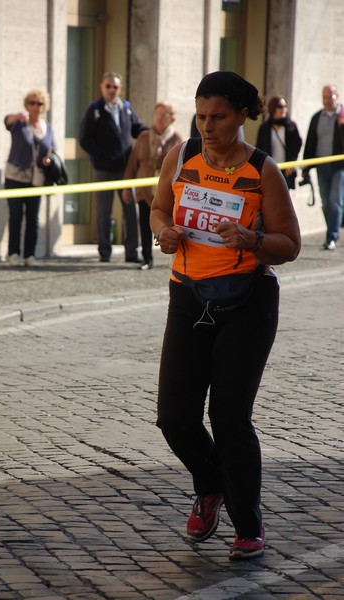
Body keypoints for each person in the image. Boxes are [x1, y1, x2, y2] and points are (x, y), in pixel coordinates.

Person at [150, 71, 300, 560]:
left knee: (230, 418)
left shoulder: (263, 171)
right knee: (174, 418)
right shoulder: (183, 155)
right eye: (200, 116)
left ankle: (248, 521)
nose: (207, 126)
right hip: (188, 296)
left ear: (241, 116)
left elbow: (290, 245)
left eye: (218, 117)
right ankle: (210, 484)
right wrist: (164, 232)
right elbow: (158, 209)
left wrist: (252, 239)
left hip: (247, 304)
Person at [79, 72, 148, 263]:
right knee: (103, 211)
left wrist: (150, 132)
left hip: (126, 170)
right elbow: (84, 139)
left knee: (130, 212)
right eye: (108, 86)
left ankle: (132, 253)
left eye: (115, 87)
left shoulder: (126, 107)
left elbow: (137, 128)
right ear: (102, 87)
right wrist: (101, 155)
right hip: (103, 169)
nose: (112, 90)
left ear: (120, 88)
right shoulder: (95, 109)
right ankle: (104, 252)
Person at [122, 102, 183, 270]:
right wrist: (127, 188)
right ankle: (147, 258)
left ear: (171, 118)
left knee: (168, 224)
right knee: (144, 222)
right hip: (144, 190)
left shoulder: (177, 139)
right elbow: (133, 163)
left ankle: (172, 257)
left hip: (166, 191)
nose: (161, 117)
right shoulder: (143, 137)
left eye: (165, 114)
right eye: (158, 113)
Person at [4, 89, 56, 267]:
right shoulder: (20, 123)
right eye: (32, 103)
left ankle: (30, 255)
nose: (35, 107)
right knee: (16, 216)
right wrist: (17, 116)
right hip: (15, 177)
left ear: (44, 106)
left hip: (36, 179)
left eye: (39, 103)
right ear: (27, 105)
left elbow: (52, 149)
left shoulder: (47, 127)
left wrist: (48, 160)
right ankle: (13, 253)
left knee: (33, 218)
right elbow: (6, 121)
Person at [302, 84, 344, 250]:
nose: (327, 100)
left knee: (335, 201)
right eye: (324, 97)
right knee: (326, 202)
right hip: (321, 165)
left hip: (339, 165)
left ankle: (331, 237)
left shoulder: (342, 116)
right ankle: (333, 228)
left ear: (336, 96)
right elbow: (310, 142)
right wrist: (306, 166)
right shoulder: (316, 117)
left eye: (330, 97)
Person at [256, 95, 302, 189]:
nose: (283, 109)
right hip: (269, 169)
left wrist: (292, 163)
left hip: (286, 170)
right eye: (280, 107)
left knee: (284, 198)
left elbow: (297, 145)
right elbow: (259, 147)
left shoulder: (291, 126)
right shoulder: (265, 128)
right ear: (273, 109)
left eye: (285, 106)